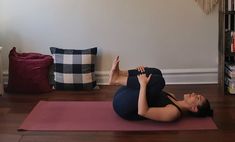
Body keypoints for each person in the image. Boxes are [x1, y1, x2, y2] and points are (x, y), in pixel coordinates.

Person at [109, 56, 213, 122]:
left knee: (159, 81)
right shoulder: (172, 96)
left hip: (123, 107)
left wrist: (143, 85)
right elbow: (151, 90)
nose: (194, 93)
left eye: (198, 98)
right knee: (157, 73)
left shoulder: (174, 112)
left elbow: (143, 111)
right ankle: (120, 74)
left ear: (194, 108)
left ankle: (117, 79)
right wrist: (142, 72)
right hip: (124, 95)